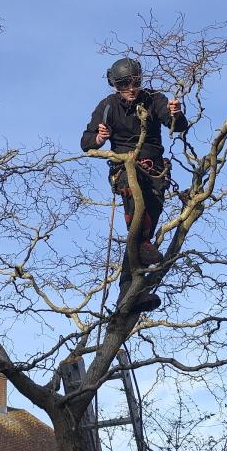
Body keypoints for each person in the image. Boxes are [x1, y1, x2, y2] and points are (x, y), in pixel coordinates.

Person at [81, 58, 188, 312]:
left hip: (155, 170)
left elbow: (176, 126)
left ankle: (129, 296)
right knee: (138, 225)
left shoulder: (153, 98)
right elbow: (86, 141)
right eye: (124, 84)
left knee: (146, 226)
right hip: (125, 169)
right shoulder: (106, 107)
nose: (131, 87)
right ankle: (134, 283)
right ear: (115, 85)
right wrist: (98, 138)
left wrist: (176, 114)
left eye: (135, 82)